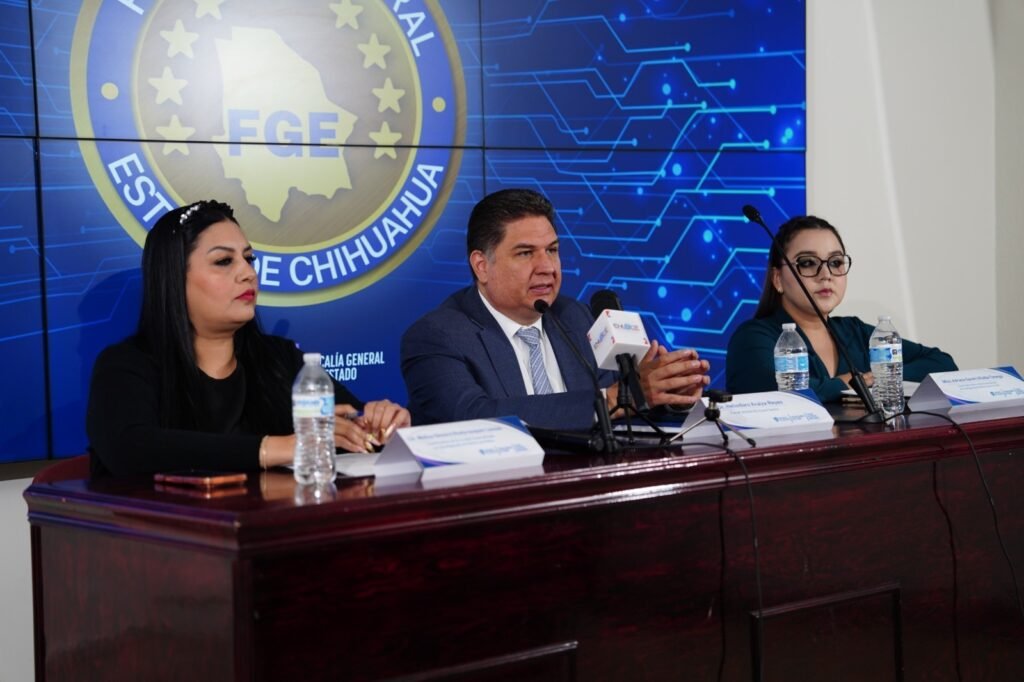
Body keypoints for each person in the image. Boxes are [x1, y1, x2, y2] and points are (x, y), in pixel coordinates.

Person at [87, 200, 410, 477]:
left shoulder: (282, 359)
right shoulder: (127, 365)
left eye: (249, 259)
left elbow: (349, 427)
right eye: (224, 261)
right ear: (173, 277)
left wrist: (381, 426)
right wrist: (278, 448)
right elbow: (129, 448)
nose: (248, 273)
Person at [400, 188, 710, 431]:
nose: (547, 267)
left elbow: (626, 403)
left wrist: (670, 394)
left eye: (552, 250)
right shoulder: (438, 336)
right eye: (525, 253)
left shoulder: (575, 317)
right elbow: (473, 418)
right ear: (482, 265)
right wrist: (613, 399)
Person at [726, 215, 957, 402]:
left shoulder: (854, 331)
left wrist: (878, 378)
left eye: (835, 262)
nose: (826, 274)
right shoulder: (752, 338)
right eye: (807, 263)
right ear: (777, 279)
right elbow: (787, 394)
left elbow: (942, 364)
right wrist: (852, 383)